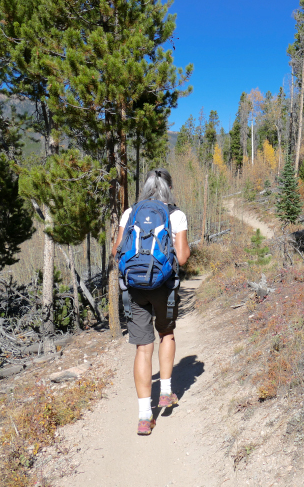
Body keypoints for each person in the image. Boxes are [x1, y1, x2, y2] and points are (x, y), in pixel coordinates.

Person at [111, 168, 190, 436]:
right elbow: (181, 258)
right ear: (168, 188)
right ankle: (166, 392)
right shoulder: (175, 215)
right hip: (164, 288)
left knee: (143, 348)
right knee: (166, 333)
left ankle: (145, 417)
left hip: (134, 289)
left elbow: (116, 250)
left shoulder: (130, 212)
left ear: (146, 188)